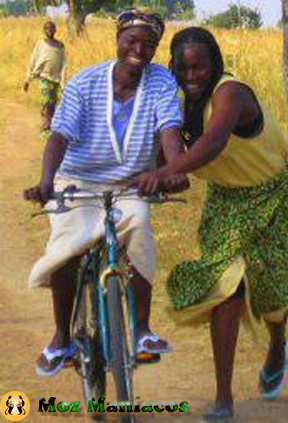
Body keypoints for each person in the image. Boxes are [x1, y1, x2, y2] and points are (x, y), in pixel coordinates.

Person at [130, 27, 288, 422]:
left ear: (214, 64)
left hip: (279, 198)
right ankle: (224, 398)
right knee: (227, 289)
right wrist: (152, 173)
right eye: (182, 68)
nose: (191, 76)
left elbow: (214, 142)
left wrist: (170, 168)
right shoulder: (176, 100)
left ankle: (276, 344)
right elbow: (159, 142)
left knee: (271, 297)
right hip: (227, 202)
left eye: (199, 67)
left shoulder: (230, 92)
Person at [24, 10, 188, 377]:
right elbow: (60, 135)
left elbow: (170, 130)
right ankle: (62, 337)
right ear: (117, 41)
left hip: (130, 183)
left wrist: (173, 171)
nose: (139, 49)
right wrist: (47, 182)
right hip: (77, 181)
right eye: (131, 41)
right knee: (67, 247)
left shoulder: (160, 82)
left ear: (156, 48)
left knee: (139, 225)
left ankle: (142, 331)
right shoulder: (85, 83)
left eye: (148, 44)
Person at [24, 21, 67, 139]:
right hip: (44, 77)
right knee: (46, 102)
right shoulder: (40, 44)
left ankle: (51, 127)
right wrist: (27, 79)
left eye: (52, 28)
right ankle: (44, 129)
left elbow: (64, 63)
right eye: (47, 28)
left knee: (54, 104)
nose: (50, 30)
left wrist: (63, 82)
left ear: (55, 30)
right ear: (44, 30)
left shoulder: (60, 45)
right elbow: (33, 60)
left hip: (56, 80)